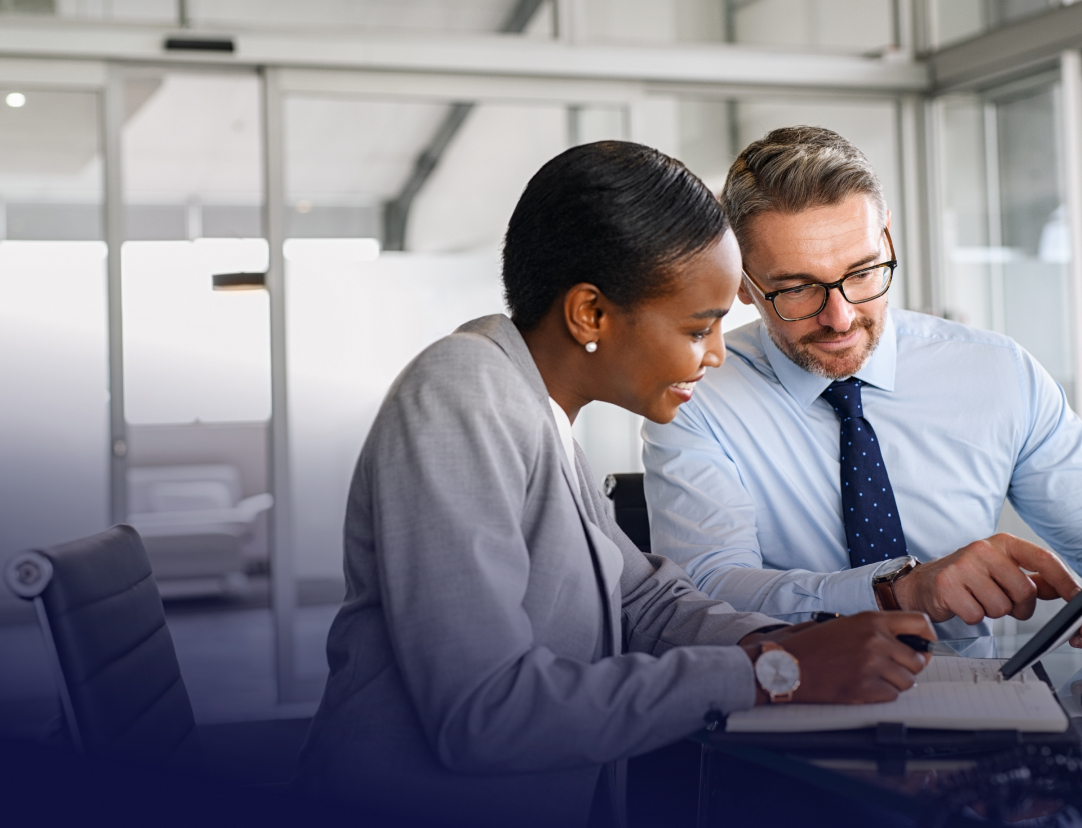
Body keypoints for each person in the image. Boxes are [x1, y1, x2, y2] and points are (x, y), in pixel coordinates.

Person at [294, 141, 936, 828]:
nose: (716, 355)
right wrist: (774, 672)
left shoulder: (535, 409)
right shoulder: (464, 392)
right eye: (699, 327)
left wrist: (794, 642)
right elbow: (484, 711)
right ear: (590, 315)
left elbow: (646, 602)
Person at [642, 126, 1082, 656]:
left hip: (991, 713)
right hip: (791, 717)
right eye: (796, 290)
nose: (840, 318)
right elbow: (705, 597)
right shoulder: (697, 394)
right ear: (742, 281)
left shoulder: (995, 373)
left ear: (887, 237)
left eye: (863, 272)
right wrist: (897, 592)